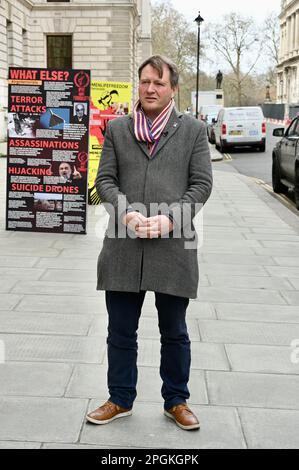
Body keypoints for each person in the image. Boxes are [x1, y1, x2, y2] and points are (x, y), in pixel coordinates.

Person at [86, 55, 213, 431]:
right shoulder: (118, 129)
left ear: (173, 88)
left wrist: (169, 219)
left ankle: (177, 400)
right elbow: (104, 181)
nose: (150, 89)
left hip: (173, 246)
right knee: (120, 330)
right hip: (124, 244)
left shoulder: (192, 130)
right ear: (138, 85)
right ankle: (120, 398)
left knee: (174, 331)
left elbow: (202, 184)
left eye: (159, 82)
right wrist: (125, 213)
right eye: (145, 81)